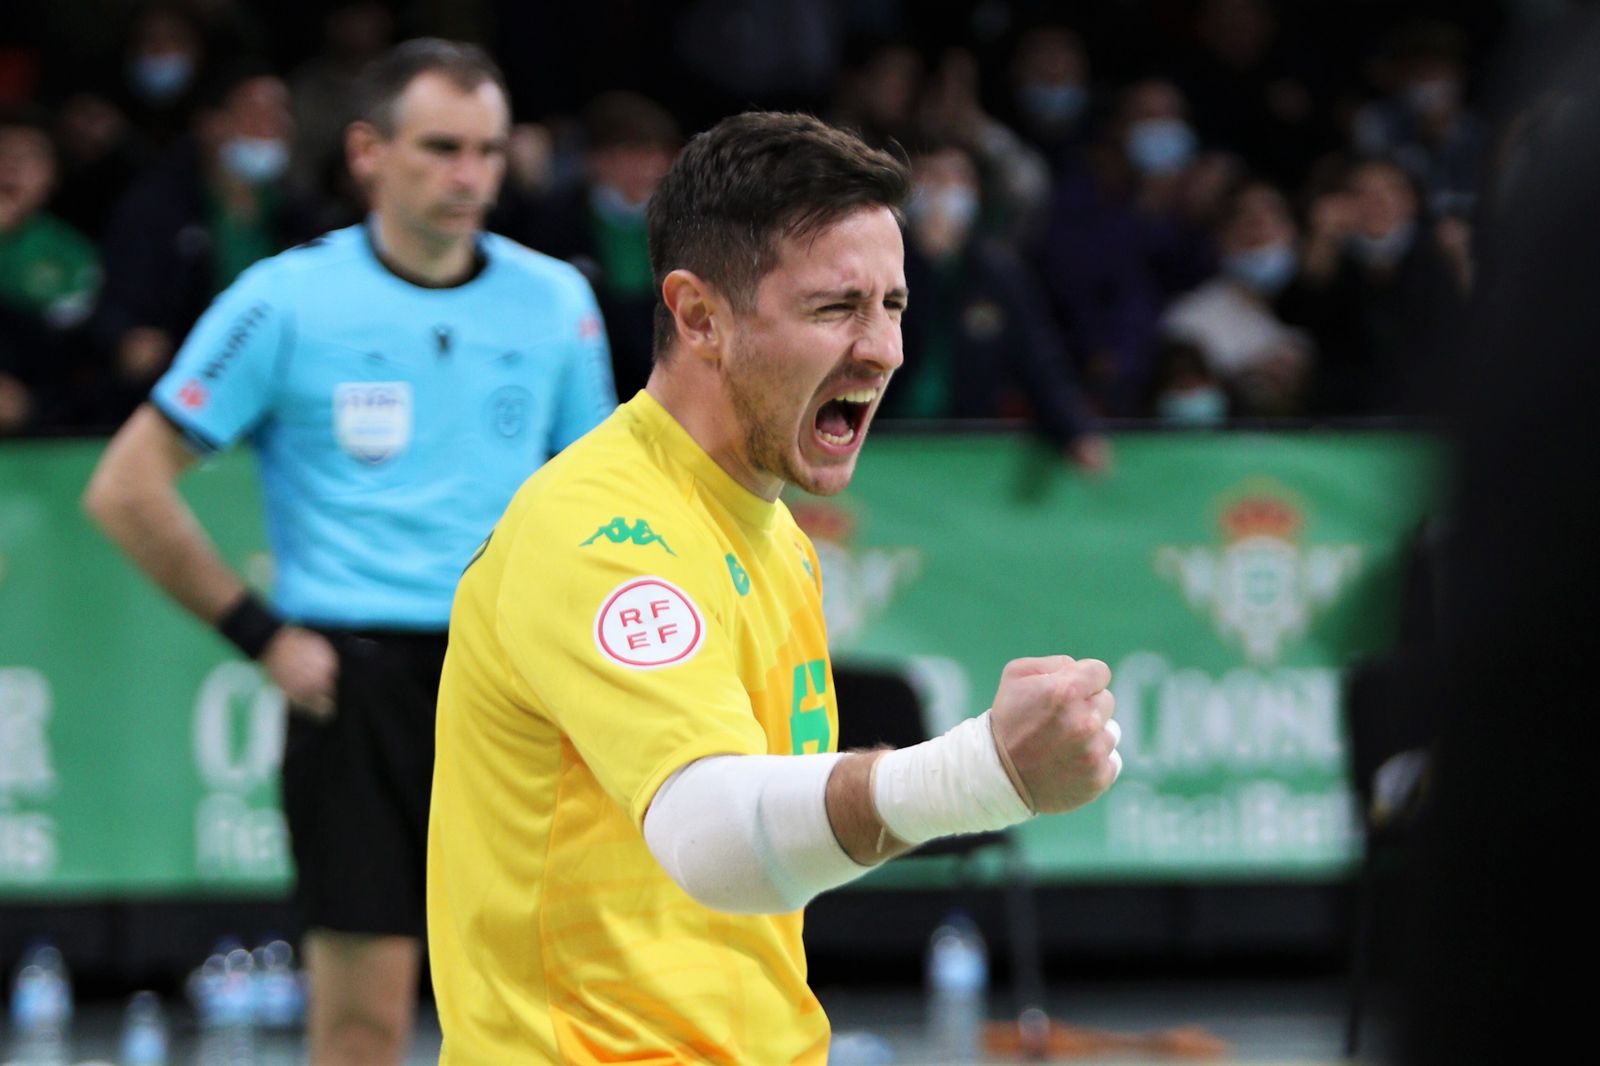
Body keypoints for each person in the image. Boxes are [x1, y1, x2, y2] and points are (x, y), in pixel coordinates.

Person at [428, 110, 1122, 1064]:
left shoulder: (774, 535)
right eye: (837, 308)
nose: (885, 349)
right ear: (698, 316)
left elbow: (766, 864)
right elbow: (714, 838)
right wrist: (982, 772)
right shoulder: (599, 530)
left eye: (894, 305)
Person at [83, 38, 616, 1066]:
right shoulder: (285, 300)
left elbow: (597, 501)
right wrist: (261, 633)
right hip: (355, 684)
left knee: (549, 1008)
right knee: (364, 1021)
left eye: (489, 150)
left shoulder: (554, 301)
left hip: (514, 682)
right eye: (442, 148)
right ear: (369, 152)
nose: (470, 175)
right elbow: (126, 485)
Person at [879, 137, 1110, 472]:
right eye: (932, 176)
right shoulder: (877, 262)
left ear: (977, 192)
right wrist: (926, 264)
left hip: (967, 447)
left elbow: (1039, 359)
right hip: (882, 439)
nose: (944, 191)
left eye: (957, 178)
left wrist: (1076, 430)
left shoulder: (999, 273)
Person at [0, 108, 101, 434]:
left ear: (53, 175)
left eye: (28, 157)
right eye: (3, 153)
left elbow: (71, 347)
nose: (11, 167)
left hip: (40, 417)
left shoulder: (71, 252)